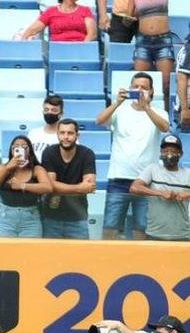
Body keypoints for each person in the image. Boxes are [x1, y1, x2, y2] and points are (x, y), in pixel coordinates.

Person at [95, 73, 170, 240]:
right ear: (129, 88)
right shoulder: (119, 110)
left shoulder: (159, 112)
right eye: (135, 86)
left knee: (142, 229)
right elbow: (99, 121)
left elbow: (164, 127)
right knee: (110, 229)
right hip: (118, 178)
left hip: (146, 181)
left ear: (152, 91)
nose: (139, 90)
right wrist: (117, 102)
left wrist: (147, 107)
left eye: (144, 87)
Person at [123, 0, 187, 108]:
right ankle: (138, 112)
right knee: (138, 82)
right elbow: (127, 18)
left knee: (165, 84)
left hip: (163, 40)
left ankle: (165, 114)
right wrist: (128, 20)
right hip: (143, 41)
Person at [39, 118, 97, 239]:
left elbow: (89, 187)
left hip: (78, 217)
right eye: (62, 133)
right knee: (50, 257)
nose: (66, 137)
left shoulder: (87, 154)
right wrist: (78, 188)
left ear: (77, 135)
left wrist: (59, 187)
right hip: (51, 217)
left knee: (80, 257)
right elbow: (49, 186)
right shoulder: (49, 152)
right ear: (57, 134)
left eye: (70, 133)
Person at [129, 134, 190, 242]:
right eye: (165, 151)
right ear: (160, 153)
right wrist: (160, 193)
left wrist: (187, 194)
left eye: (173, 151)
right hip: (154, 234)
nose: (169, 155)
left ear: (180, 154)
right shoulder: (152, 169)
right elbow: (134, 187)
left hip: (183, 235)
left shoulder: (188, 173)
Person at [0, 135, 54, 238]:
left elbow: (48, 188)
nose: (20, 149)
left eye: (24, 147)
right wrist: (7, 168)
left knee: (30, 253)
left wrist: (22, 185)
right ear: (12, 151)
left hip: (30, 219)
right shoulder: (3, 167)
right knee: (5, 252)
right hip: (6, 219)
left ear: (29, 151)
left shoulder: (37, 169)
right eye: (16, 147)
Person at [19, 0, 97, 42]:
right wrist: (23, 38)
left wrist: (81, 49)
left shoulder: (85, 10)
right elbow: (33, 29)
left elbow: (92, 34)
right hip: (57, 51)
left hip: (80, 51)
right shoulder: (51, 11)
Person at [28, 93, 64, 160]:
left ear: (61, 114)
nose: (49, 112)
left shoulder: (66, 136)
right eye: (46, 110)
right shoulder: (33, 133)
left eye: (54, 110)